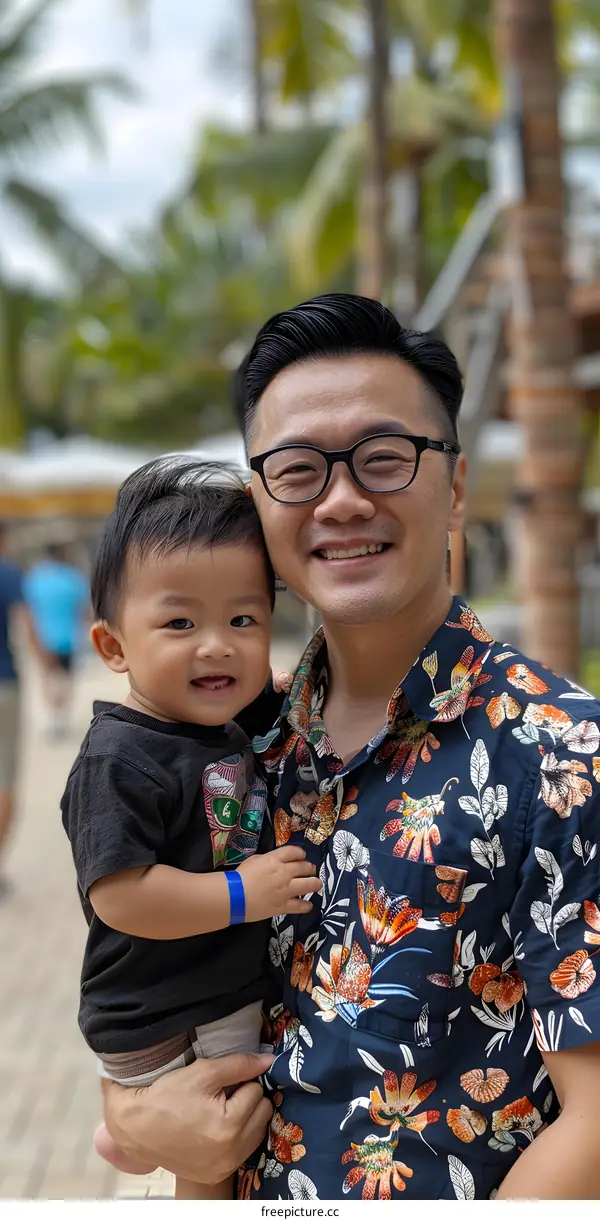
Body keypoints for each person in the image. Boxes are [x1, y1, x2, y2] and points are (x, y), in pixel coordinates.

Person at [100, 294, 600, 1200]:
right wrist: (131, 1111)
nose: (341, 499)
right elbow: (156, 990)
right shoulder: (241, 744)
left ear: (452, 485)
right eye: (297, 470)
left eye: (384, 459)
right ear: (258, 500)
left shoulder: (561, 752)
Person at [60, 458, 320, 1200]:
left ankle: (125, 1136)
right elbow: (122, 896)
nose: (217, 645)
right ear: (113, 648)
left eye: (243, 620)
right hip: (154, 1008)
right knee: (219, 1151)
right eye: (180, 623)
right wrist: (244, 894)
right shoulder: (118, 758)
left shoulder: (217, 721)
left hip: (211, 989)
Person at [0, 523, 42, 897]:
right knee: (4, 776)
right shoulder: (9, 570)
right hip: (4, 686)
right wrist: (45, 665)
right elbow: (25, 622)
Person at [23, 542, 89, 737]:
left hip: (44, 637)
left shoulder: (34, 579)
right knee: (66, 677)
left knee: (48, 676)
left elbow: (27, 611)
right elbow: (83, 610)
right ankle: (61, 715)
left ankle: (52, 714)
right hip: (68, 637)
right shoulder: (73, 578)